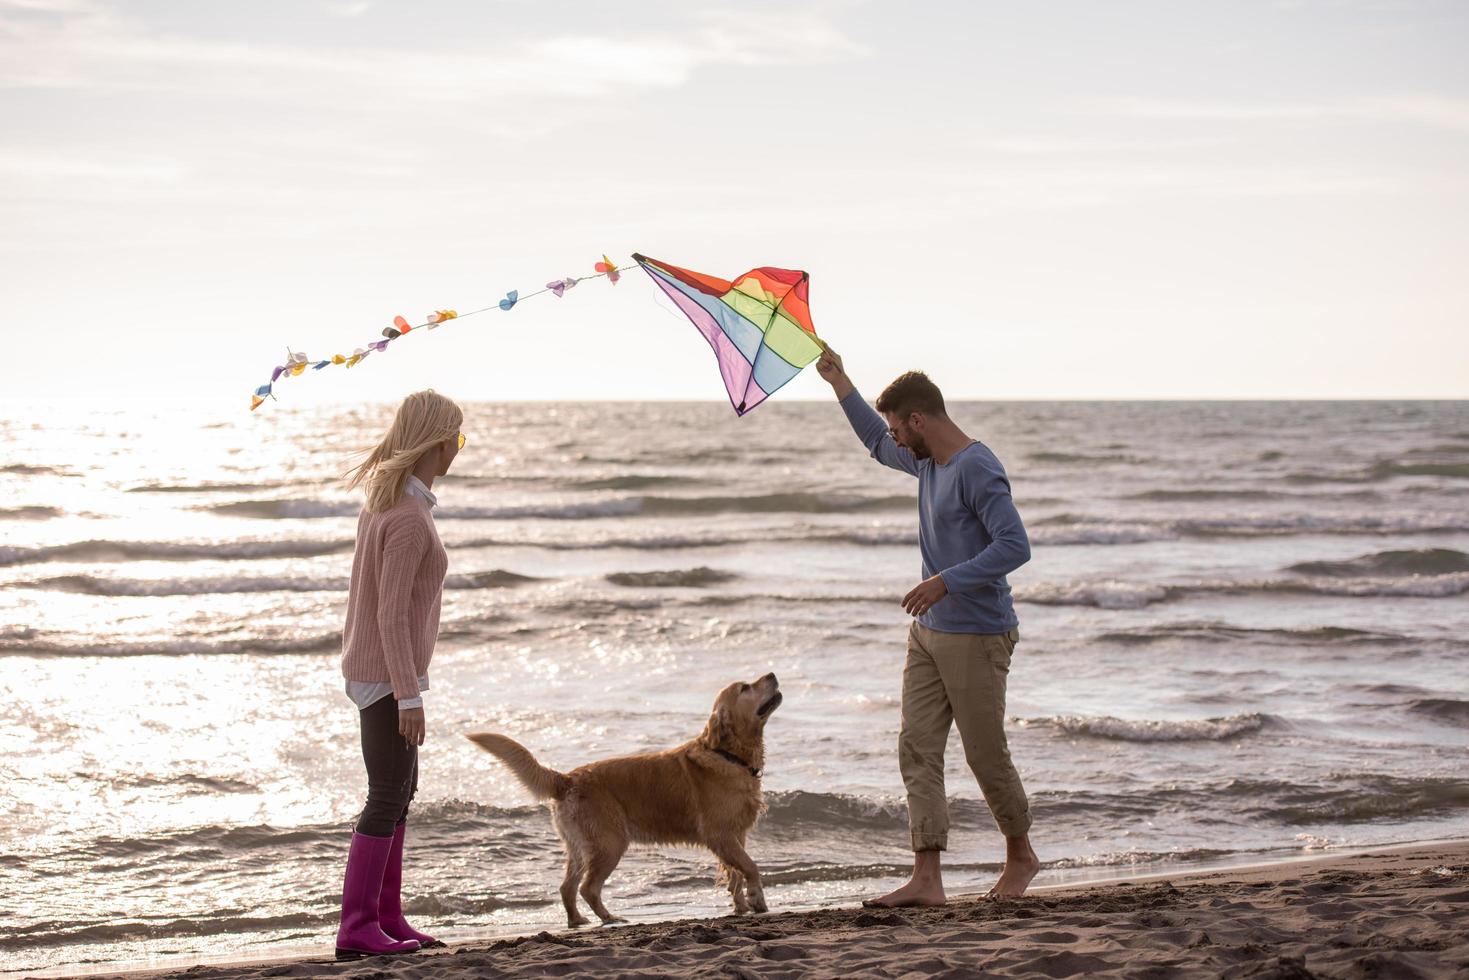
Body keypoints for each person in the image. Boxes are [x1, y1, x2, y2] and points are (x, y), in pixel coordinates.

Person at [815, 350, 1040, 906]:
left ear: (919, 420)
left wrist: (945, 581)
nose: (893, 437)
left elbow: (1015, 546)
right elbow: (873, 441)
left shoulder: (975, 467)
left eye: (898, 426)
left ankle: (1021, 856)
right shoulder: (926, 462)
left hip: (978, 633)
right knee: (916, 748)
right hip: (929, 633)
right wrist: (840, 381)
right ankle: (927, 878)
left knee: (985, 754)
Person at [334, 390, 463, 959]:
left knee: (400, 790)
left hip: (382, 669)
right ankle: (357, 927)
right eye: (458, 438)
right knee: (387, 793)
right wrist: (409, 696)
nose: (460, 449)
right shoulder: (407, 516)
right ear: (439, 442)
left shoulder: (389, 503)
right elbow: (388, 612)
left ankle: (386, 917)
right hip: (388, 676)